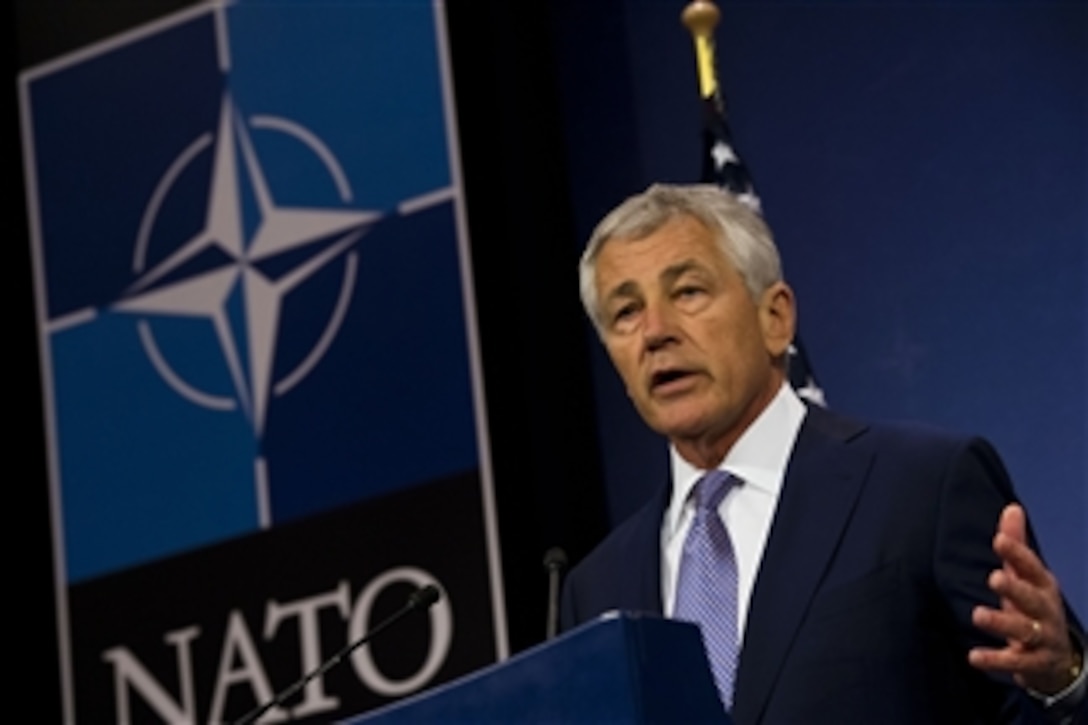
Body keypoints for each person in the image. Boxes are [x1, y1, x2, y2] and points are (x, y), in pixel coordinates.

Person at [559, 183, 1086, 724]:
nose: (655, 332)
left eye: (688, 292)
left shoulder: (922, 487)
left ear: (775, 318)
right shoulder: (595, 588)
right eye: (625, 312)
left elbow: (1030, 692)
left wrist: (1063, 682)